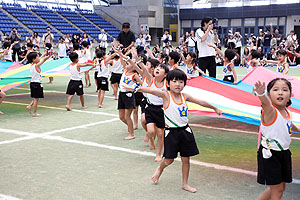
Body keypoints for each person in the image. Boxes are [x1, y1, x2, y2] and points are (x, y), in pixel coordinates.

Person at [137, 69, 222, 193]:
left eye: (181, 82)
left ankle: (185, 184)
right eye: (174, 81)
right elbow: (152, 90)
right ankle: (159, 170)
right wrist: (139, 89)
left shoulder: (185, 96)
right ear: (168, 83)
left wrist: (215, 108)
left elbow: (200, 101)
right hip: (171, 133)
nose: (178, 84)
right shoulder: (166, 95)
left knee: (186, 159)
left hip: (185, 131)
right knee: (169, 160)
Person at [253, 78, 299, 200]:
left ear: (290, 95)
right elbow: (266, 104)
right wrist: (261, 94)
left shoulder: (286, 111)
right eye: (275, 90)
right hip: (270, 155)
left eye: (285, 90)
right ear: (269, 95)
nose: (280, 93)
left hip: (284, 153)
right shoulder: (270, 111)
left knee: (280, 187)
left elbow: (287, 123)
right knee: (277, 190)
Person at [114, 48, 143, 140]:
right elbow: (123, 60)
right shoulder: (125, 71)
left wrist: (133, 88)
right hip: (122, 94)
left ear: (134, 67)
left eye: (130, 64)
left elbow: (143, 86)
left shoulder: (135, 76)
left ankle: (132, 134)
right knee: (121, 117)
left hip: (129, 95)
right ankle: (130, 127)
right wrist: (120, 53)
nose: (127, 64)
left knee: (127, 116)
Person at [26, 51, 51, 117]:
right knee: (36, 99)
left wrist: (43, 55)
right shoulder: (36, 65)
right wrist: (49, 55)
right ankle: (34, 112)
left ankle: (29, 106)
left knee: (35, 98)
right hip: (37, 83)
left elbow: (40, 59)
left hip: (33, 83)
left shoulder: (32, 65)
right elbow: (43, 60)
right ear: (34, 59)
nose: (39, 58)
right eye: (37, 57)